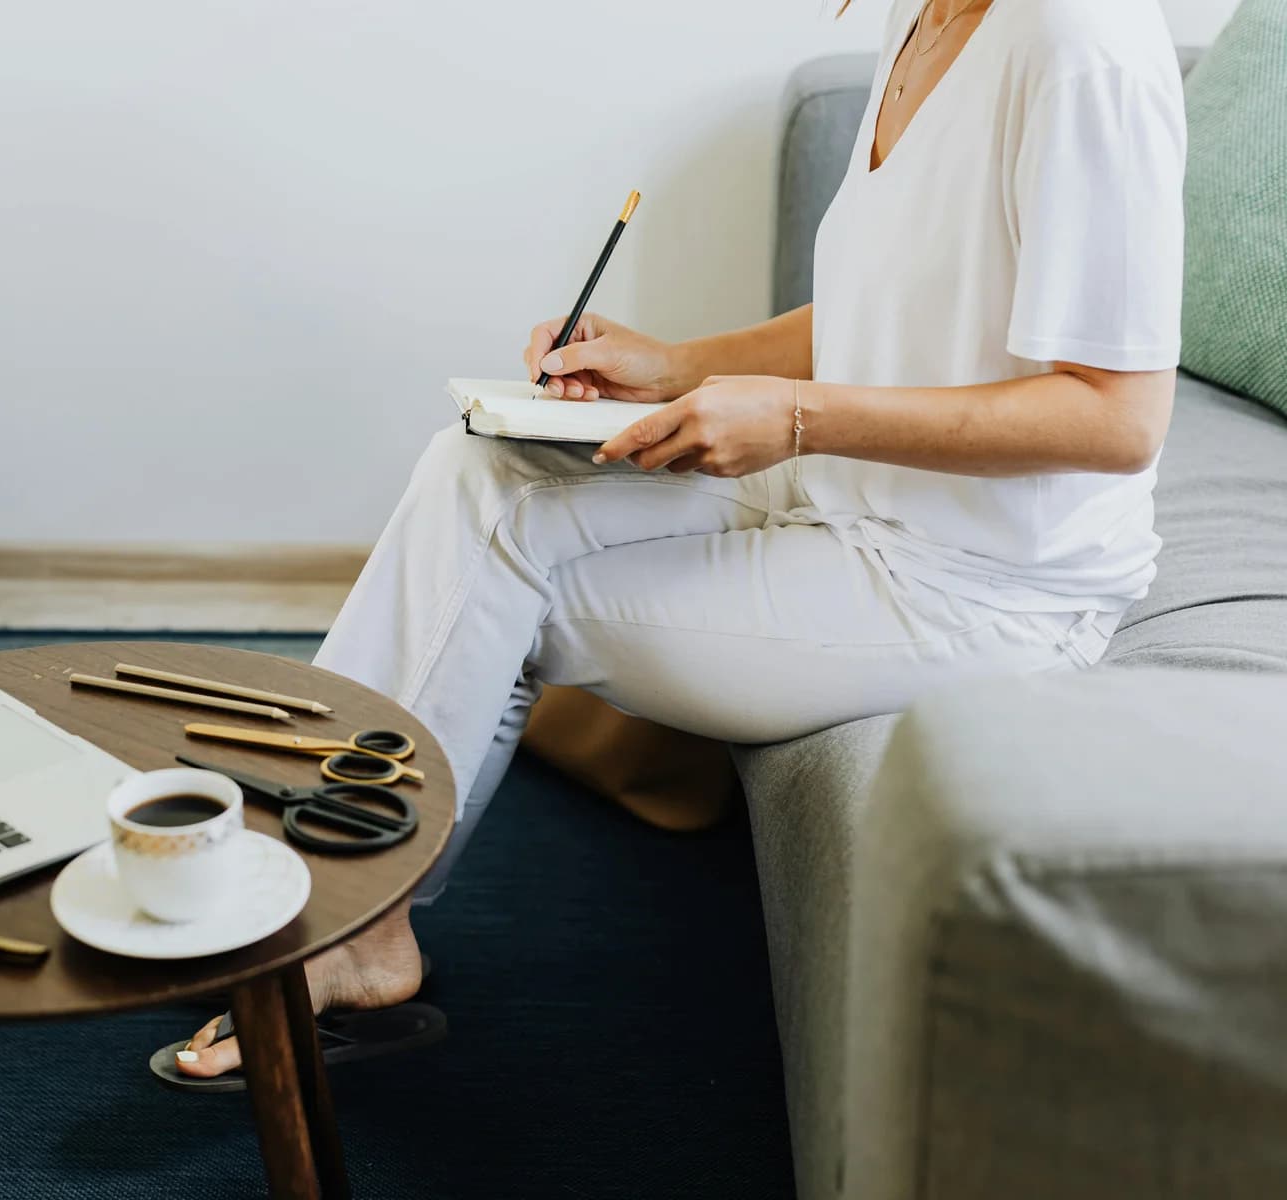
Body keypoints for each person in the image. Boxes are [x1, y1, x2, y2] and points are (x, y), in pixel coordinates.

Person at [161, 0, 1187, 1082]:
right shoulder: (928, 15)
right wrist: (680, 364)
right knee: (483, 472)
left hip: (976, 590)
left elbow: (1115, 418)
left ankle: (344, 914)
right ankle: (351, 904)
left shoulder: (1079, 45)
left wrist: (794, 417)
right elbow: (888, 307)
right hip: (845, 497)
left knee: (498, 578)